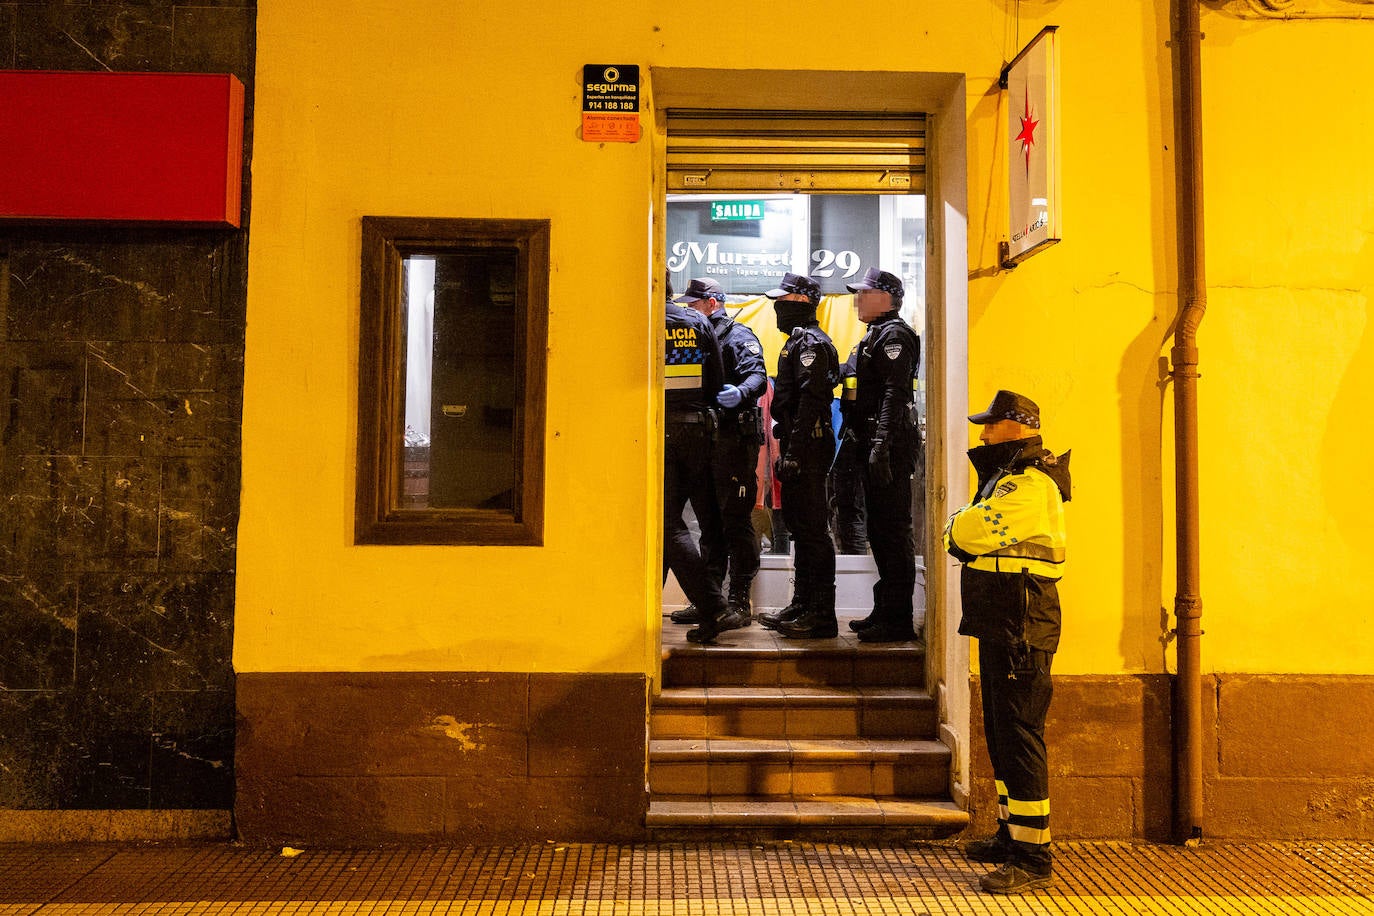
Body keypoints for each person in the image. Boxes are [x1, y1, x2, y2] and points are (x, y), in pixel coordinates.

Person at [945, 389, 1071, 895]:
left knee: (1020, 734)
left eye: (990, 426)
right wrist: (962, 525)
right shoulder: (1008, 480)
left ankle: (1033, 855)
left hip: (1023, 620)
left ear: (1017, 427)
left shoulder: (1031, 483)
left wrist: (959, 525)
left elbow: (973, 530)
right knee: (1001, 731)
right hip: (1003, 619)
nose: (983, 435)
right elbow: (968, 528)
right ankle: (1009, 834)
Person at [671, 278, 769, 625]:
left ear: (713, 303)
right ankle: (710, 598)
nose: (687, 309)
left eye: (694, 303)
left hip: (734, 441)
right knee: (709, 520)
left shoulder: (738, 336)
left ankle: (739, 600)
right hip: (706, 441)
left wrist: (741, 392)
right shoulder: (694, 334)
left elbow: (758, 375)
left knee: (735, 520)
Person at [756, 273, 839, 639]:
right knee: (800, 530)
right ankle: (803, 602)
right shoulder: (796, 342)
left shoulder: (811, 344)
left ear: (803, 302)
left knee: (813, 531)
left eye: (783, 300)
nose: (777, 308)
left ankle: (821, 612)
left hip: (808, 445)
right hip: (797, 442)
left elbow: (811, 401)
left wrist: (796, 449)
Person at [844, 267, 921, 643]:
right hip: (875, 443)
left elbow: (895, 393)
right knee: (879, 530)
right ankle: (885, 609)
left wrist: (881, 444)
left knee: (893, 531)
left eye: (864, 292)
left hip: (889, 446)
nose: (857, 298)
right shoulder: (874, 335)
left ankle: (899, 619)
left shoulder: (895, 335)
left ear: (886, 297)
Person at [663, 296, 743, 644]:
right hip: (699, 432)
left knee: (665, 526)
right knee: (705, 521)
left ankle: (713, 606)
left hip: (660, 433)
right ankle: (710, 613)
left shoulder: (645, 321)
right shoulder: (697, 322)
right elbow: (715, 384)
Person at [830, 343, 868, 554]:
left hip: (857, 438)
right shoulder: (865, 346)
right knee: (849, 509)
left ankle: (856, 565)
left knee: (851, 509)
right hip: (856, 436)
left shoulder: (874, 344)